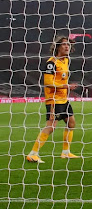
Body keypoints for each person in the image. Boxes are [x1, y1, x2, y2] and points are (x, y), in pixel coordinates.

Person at [27, 35, 80, 163]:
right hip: (53, 100)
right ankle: (32, 154)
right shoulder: (51, 63)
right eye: (64, 44)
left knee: (71, 123)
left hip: (63, 100)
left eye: (68, 44)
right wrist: (66, 86)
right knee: (51, 127)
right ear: (57, 47)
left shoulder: (66, 60)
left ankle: (65, 152)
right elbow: (48, 83)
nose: (67, 46)